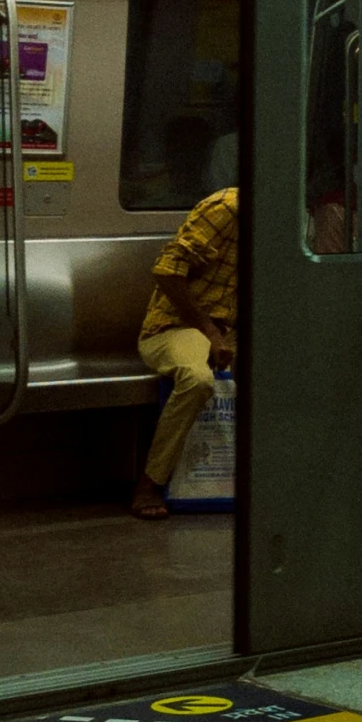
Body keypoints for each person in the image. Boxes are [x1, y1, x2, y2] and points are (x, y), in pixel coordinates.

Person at [131, 186, 237, 520]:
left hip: (227, 328)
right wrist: (209, 332)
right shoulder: (227, 209)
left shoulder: (285, 221)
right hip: (177, 327)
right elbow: (167, 271)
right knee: (197, 379)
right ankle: (150, 482)